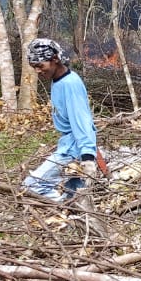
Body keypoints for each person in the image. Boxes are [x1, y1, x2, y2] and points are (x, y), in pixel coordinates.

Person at [21, 38, 99, 202]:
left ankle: (61, 208)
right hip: (68, 144)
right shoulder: (58, 81)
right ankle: (70, 211)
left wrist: (87, 156)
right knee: (73, 195)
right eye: (34, 67)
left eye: (41, 66)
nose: (38, 71)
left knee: (31, 186)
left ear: (55, 59)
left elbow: (82, 121)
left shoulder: (70, 84)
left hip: (73, 149)